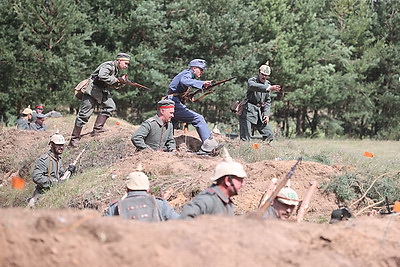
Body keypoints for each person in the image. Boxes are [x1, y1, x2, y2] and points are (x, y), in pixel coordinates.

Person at [69, 53, 131, 147]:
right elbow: (102, 76)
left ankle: (98, 128)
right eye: (125, 63)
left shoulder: (115, 70)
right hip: (92, 91)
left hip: (101, 91)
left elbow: (111, 83)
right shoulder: (108, 65)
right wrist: (117, 80)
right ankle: (74, 139)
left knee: (110, 106)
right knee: (84, 115)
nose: (126, 66)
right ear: (119, 61)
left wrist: (121, 82)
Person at [180, 149, 247, 219]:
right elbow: (185, 219)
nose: (243, 184)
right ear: (227, 181)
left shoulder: (227, 203)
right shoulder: (208, 200)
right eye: (240, 181)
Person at [167, 59, 218, 149]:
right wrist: (201, 83)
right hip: (174, 103)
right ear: (194, 68)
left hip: (172, 102)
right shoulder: (187, 74)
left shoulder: (187, 74)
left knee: (172, 124)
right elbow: (184, 81)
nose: (202, 72)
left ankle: (166, 144)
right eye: (201, 69)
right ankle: (209, 147)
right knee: (199, 119)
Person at [104, 170, 179, 221]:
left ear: (127, 188)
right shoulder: (161, 204)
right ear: (148, 189)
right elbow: (182, 222)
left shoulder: (114, 208)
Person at [28, 133, 76, 207]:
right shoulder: (44, 159)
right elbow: (36, 177)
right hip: (41, 195)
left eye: (62, 145)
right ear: (52, 145)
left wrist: (69, 171)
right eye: (58, 145)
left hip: (54, 194)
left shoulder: (58, 159)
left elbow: (61, 176)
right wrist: (54, 182)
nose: (61, 147)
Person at [239, 62, 281, 142]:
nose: (264, 76)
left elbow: (268, 101)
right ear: (259, 73)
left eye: (266, 75)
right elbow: (253, 86)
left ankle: (264, 150)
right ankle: (243, 153)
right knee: (245, 138)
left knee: (269, 135)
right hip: (248, 112)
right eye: (262, 74)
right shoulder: (252, 81)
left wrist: (266, 115)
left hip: (259, 114)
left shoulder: (268, 84)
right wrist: (269, 88)